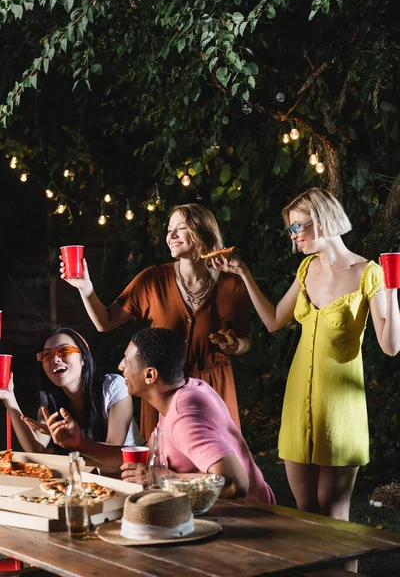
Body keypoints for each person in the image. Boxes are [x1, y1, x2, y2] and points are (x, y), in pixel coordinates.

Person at [211, 188, 400, 536]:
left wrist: (393, 290)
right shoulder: (307, 268)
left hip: (340, 409)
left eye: (298, 227)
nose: (294, 236)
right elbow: (272, 321)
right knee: (305, 516)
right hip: (298, 404)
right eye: (291, 229)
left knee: (335, 522)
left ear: (323, 220)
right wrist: (243, 274)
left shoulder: (368, 273)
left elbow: (390, 346)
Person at [61, 204, 251, 440]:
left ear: (203, 232)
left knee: (216, 467)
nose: (171, 236)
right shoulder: (152, 280)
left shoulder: (231, 284)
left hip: (214, 390)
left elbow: (246, 341)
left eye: (181, 228)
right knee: (162, 466)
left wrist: (234, 346)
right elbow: (105, 321)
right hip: (163, 391)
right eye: (169, 229)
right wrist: (85, 287)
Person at [44, 327, 275, 503]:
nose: (121, 366)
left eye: (128, 360)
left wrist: (160, 478)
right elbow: (143, 458)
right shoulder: (184, 391)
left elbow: (235, 484)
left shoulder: (184, 418)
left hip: (251, 520)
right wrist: (80, 444)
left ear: (150, 375)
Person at [0, 326, 143, 453]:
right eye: (46, 354)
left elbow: (112, 451)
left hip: (129, 475)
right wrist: (9, 398)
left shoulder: (113, 387)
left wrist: (75, 442)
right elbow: (35, 448)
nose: (55, 359)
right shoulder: (51, 406)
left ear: (83, 359)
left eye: (64, 350)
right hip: (84, 477)